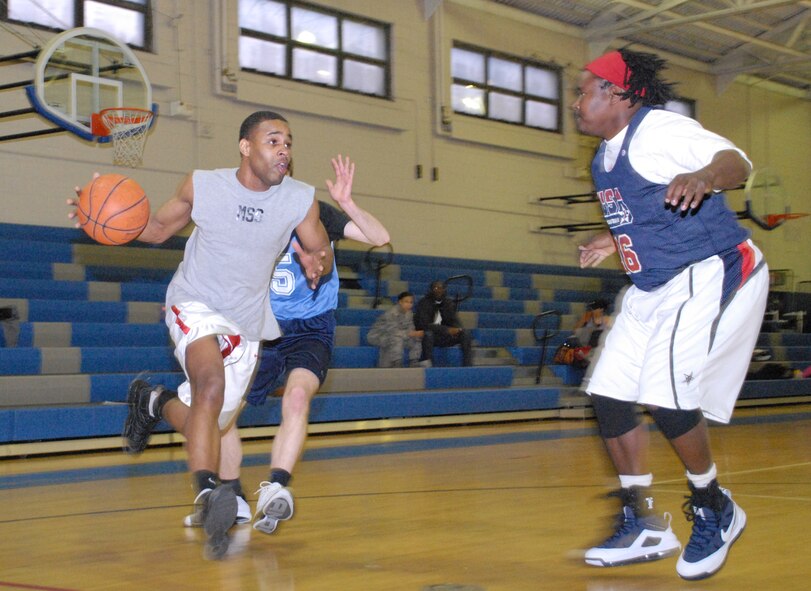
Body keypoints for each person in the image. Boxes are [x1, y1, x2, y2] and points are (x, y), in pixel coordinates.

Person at [75, 110, 335, 559]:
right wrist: (96, 216)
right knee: (209, 384)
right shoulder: (204, 185)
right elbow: (156, 230)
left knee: (209, 424)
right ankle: (207, 491)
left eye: (289, 143)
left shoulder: (298, 199)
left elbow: (319, 249)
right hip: (194, 300)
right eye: (273, 141)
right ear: (245, 146)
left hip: (248, 321)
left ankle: (154, 401)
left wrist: (319, 263)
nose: (284, 150)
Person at [572, 48, 769, 580]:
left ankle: (714, 505)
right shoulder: (604, 157)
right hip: (653, 284)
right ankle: (643, 521)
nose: (575, 102)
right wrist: (613, 240)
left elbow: (737, 162)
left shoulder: (657, 129)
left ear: (618, 95)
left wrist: (705, 176)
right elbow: (648, 211)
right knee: (609, 393)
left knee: (665, 394)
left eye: (584, 90)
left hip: (707, 268)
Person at [139, 156, 390, 536]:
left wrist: (347, 203)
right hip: (259, 325)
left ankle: (277, 485)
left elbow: (380, 237)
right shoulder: (240, 215)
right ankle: (233, 495)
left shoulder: (312, 212)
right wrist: (190, 299)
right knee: (222, 418)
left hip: (311, 326)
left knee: (297, 398)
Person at [413, 280, 473, 367]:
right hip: (432, 336)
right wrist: (446, 329)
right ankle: (429, 366)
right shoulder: (423, 303)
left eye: (441, 288)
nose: (439, 290)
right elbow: (424, 325)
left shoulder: (448, 303)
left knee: (465, 333)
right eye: (436, 288)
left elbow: (454, 320)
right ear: (431, 289)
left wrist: (458, 329)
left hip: (445, 336)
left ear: (445, 290)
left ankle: (467, 366)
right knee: (428, 334)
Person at [367, 291, 423, 367]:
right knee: (397, 338)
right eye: (406, 302)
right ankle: (397, 362)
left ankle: (414, 361)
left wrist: (414, 334)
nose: (409, 304)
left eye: (411, 302)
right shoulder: (391, 313)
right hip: (378, 336)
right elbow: (393, 331)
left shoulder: (409, 313)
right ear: (400, 302)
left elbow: (410, 328)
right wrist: (410, 333)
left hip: (398, 335)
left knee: (417, 338)